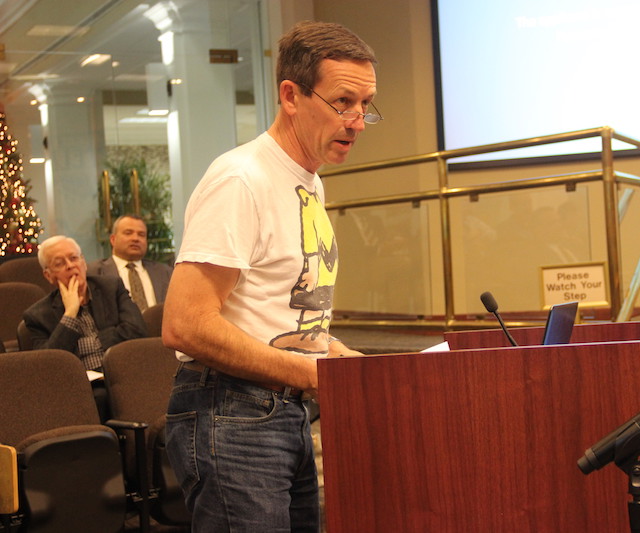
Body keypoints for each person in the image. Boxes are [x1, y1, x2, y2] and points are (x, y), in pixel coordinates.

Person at [161, 20, 379, 532]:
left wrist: (334, 355)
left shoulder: (308, 182)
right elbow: (185, 325)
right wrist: (313, 372)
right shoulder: (242, 178)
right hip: (231, 411)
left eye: (366, 105)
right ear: (291, 95)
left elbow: (270, 313)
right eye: (343, 102)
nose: (358, 121)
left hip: (283, 411)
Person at [23, 235, 148, 418]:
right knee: (100, 398)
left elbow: (137, 331)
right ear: (48, 276)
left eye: (74, 258)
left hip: (124, 374)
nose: (70, 266)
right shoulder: (37, 315)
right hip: (80, 389)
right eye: (59, 263)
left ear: (84, 262)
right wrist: (70, 314)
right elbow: (48, 365)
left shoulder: (111, 287)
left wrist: (89, 344)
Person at [87, 214, 173, 311]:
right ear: (113, 239)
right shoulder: (94, 272)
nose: (135, 238)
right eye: (128, 233)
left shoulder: (165, 273)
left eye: (141, 234)